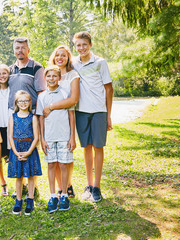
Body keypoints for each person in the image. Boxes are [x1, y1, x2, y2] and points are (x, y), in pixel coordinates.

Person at [72, 31, 113, 202]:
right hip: (81, 111)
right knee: (86, 148)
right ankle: (88, 185)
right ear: (75, 47)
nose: (81, 48)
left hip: (98, 111)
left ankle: (97, 186)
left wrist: (108, 115)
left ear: (90, 45)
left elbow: (109, 89)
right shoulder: (73, 63)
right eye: (78, 45)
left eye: (84, 44)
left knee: (98, 147)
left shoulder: (100, 62)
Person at [8, 37, 46, 198]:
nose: (20, 51)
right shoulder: (10, 69)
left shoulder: (36, 68)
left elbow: (41, 93)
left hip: (31, 116)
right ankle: (22, 186)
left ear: (28, 49)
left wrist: (37, 116)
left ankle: (33, 186)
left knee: (32, 152)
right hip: (15, 116)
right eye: (17, 48)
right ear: (14, 50)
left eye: (23, 48)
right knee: (17, 150)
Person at [36, 66, 76, 213]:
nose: (51, 78)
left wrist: (72, 137)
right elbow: (40, 118)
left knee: (64, 165)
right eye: (49, 76)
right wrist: (43, 139)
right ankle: (53, 195)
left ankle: (64, 194)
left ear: (59, 78)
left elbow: (71, 115)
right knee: (51, 165)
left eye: (54, 76)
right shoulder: (42, 97)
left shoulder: (66, 93)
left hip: (64, 136)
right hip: (50, 138)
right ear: (45, 78)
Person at [43, 45, 80, 198]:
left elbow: (73, 100)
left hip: (66, 120)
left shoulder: (73, 75)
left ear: (68, 58)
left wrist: (51, 106)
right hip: (52, 125)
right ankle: (59, 187)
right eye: (57, 55)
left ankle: (67, 185)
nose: (60, 58)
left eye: (63, 55)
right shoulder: (50, 73)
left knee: (66, 157)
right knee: (54, 160)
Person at [8, 90, 42, 215]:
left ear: (29, 102)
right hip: (16, 148)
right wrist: (16, 153)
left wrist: (28, 152)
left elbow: (36, 137)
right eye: (20, 101)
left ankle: (30, 199)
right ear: (16, 102)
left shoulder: (32, 118)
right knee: (18, 176)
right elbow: (10, 137)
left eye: (26, 101)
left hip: (29, 148)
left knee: (31, 175)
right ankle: (18, 200)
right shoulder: (13, 117)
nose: (23, 103)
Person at [0, 64, 11, 196]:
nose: (2, 76)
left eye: (4, 73)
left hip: (11, 126)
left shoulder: (12, 89)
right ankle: (3, 183)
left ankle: (21, 184)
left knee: (12, 156)